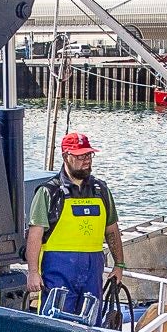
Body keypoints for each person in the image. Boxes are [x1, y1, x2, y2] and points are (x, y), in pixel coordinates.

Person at [25, 131, 125, 316]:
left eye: (89, 155)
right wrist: (33, 272)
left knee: (91, 325)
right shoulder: (48, 192)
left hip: (93, 271)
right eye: (80, 156)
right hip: (58, 270)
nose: (86, 160)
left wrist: (119, 265)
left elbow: (112, 230)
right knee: (56, 324)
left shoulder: (101, 190)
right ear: (65, 156)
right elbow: (35, 235)